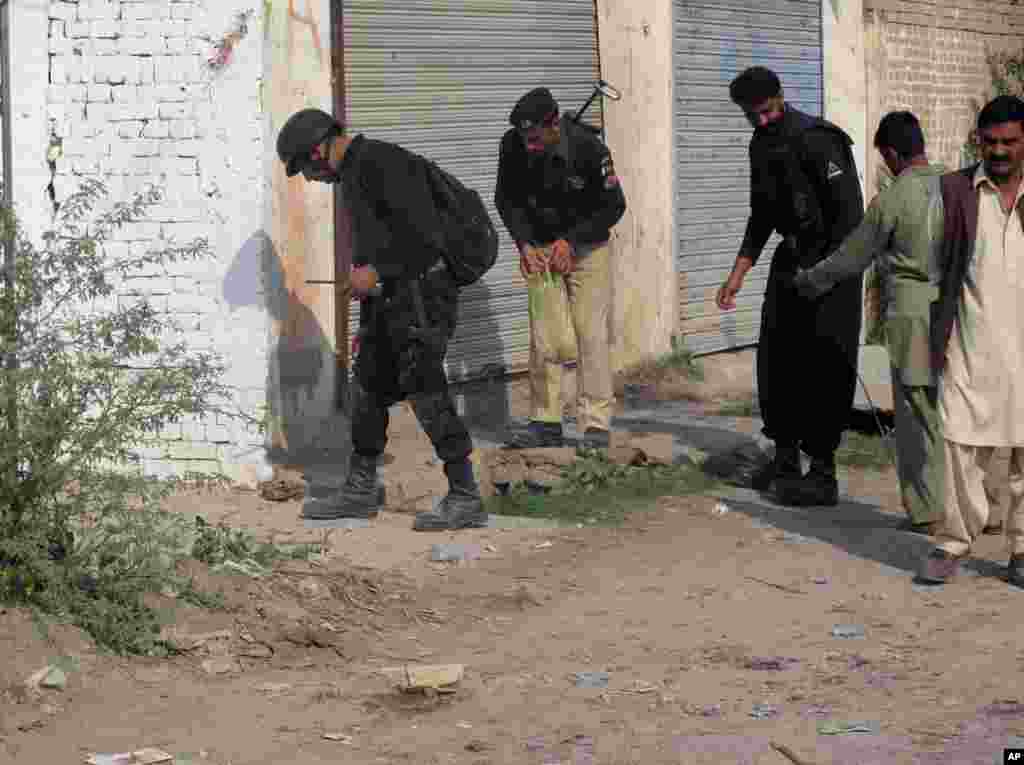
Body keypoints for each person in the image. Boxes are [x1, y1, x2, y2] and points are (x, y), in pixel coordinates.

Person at [275, 107, 487, 532]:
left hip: (423, 295)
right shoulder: (356, 172)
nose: (310, 179)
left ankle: (465, 494)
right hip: (390, 298)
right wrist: (367, 278)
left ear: (318, 150)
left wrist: (378, 271)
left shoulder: (382, 163)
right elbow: (385, 239)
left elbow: (424, 239)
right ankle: (360, 489)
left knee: (425, 389)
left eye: (305, 168)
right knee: (368, 387)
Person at [716, 66, 865, 506]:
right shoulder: (759, 145)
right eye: (750, 115)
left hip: (833, 263)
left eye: (764, 111)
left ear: (781, 96)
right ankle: (784, 460)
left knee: (826, 364)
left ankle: (822, 472)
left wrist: (824, 273)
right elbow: (761, 217)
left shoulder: (820, 139)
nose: (760, 121)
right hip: (791, 259)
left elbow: (850, 218)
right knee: (777, 360)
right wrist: (737, 275)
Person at [921, 95, 1024, 587]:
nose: (999, 150)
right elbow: (937, 267)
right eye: (990, 141)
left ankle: (1022, 549)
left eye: (1009, 142)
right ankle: (951, 543)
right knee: (958, 443)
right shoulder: (956, 191)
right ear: (977, 141)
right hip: (969, 342)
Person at [494, 87, 627, 449]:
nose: (529, 146)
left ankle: (595, 423)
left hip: (587, 249)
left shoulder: (589, 149)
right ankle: (546, 420)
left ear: (554, 124)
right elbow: (506, 199)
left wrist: (570, 240)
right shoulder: (512, 146)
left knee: (590, 334)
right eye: (524, 138)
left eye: (535, 138)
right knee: (544, 336)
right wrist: (523, 244)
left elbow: (614, 206)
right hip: (540, 250)